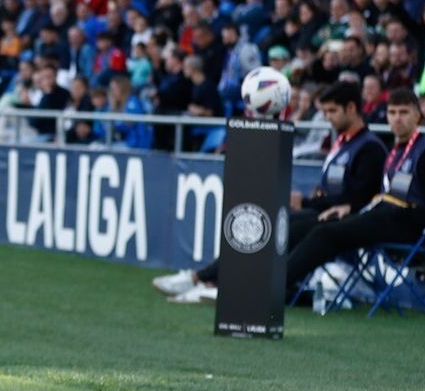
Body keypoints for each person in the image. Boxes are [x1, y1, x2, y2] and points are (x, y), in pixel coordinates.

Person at [152, 81, 386, 303]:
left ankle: (210, 280)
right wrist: (310, 200)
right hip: (322, 213)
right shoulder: (343, 143)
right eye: (324, 111)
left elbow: (357, 199)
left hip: (342, 221)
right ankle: (212, 279)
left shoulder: (369, 148)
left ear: (351, 108)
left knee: (277, 226)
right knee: (264, 220)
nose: (326, 117)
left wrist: (306, 203)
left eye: (332, 111)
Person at [281, 87, 425, 297]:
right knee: (321, 225)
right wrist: (352, 208)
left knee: (324, 233)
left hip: (409, 227)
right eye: (392, 112)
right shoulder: (396, 150)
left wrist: (400, 212)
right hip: (382, 215)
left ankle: (277, 287)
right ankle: (285, 285)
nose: (397, 118)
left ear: (418, 116)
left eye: (404, 112)